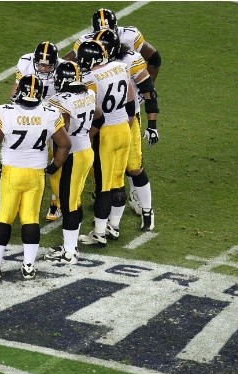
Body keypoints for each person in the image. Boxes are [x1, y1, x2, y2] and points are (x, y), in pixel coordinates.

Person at [0, 75, 71, 280]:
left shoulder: (5, 112)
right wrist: (54, 166)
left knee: (4, 219)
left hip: (12, 172)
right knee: (30, 220)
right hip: (36, 174)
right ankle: (28, 267)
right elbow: (64, 144)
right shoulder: (49, 113)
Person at [94, 29, 159, 232]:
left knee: (133, 168)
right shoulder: (106, 62)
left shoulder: (130, 60)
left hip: (124, 120)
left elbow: (149, 90)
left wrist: (152, 125)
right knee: (112, 174)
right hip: (112, 122)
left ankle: (147, 212)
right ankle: (111, 222)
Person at [75, 40, 136, 247]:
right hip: (124, 129)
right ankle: (114, 226)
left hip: (106, 132)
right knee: (118, 180)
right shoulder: (120, 66)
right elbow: (130, 97)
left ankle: (99, 232)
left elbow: (92, 110)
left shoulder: (90, 77)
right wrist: (126, 122)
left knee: (103, 186)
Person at [43, 62, 102, 264]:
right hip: (86, 151)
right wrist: (85, 135)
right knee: (74, 200)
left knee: (68, 205)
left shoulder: (59, 100)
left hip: (71, 156)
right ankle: (70, 245)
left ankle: (70, 253)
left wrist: (54, 164)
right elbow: (99, 118)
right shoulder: (88, 94)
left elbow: (64, 137)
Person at [11, 41, 66, 222]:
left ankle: (56, 202)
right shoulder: (25, 62)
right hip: (31, 113)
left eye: (47, 65)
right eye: (40, 64)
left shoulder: (63, 68)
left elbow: (66, 100)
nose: (43, 68)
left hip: (53, 113)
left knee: (56, 159)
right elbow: (16, 91)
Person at [64, 8, 162, 80]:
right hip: (100, 83)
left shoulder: (129, 36)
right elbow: (66, 63)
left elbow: (154, 58)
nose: (105, 36)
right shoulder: (85, 42)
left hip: (126, 83)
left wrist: (149, 86)